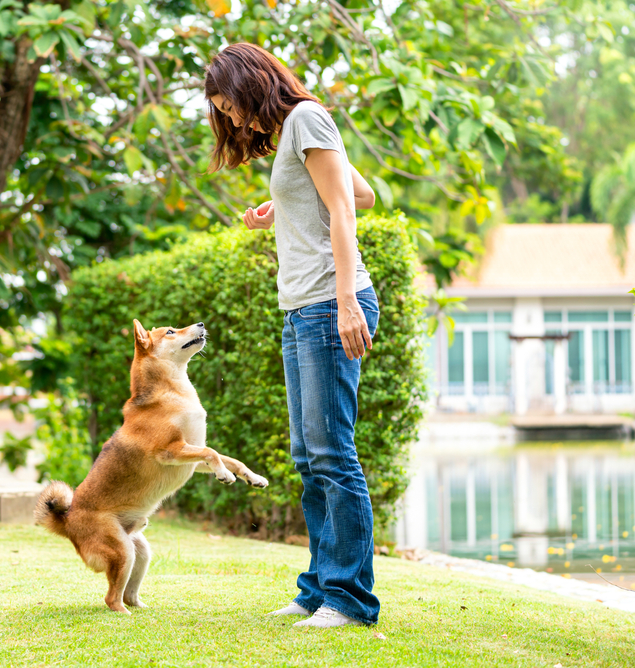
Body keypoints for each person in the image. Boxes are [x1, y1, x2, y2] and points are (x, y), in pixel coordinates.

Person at [204, 43, 381, 629]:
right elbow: (361, 191)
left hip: (330, 304)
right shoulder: (292, 134)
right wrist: (278, 208)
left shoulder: (306, 118)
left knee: (332, 453)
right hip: (302, 309)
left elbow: (347, 213)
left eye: (230, 105)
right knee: (311, 457)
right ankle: (318, 590)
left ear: (253, 84)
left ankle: (349, 602)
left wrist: (348, 299)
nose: (231, 119)